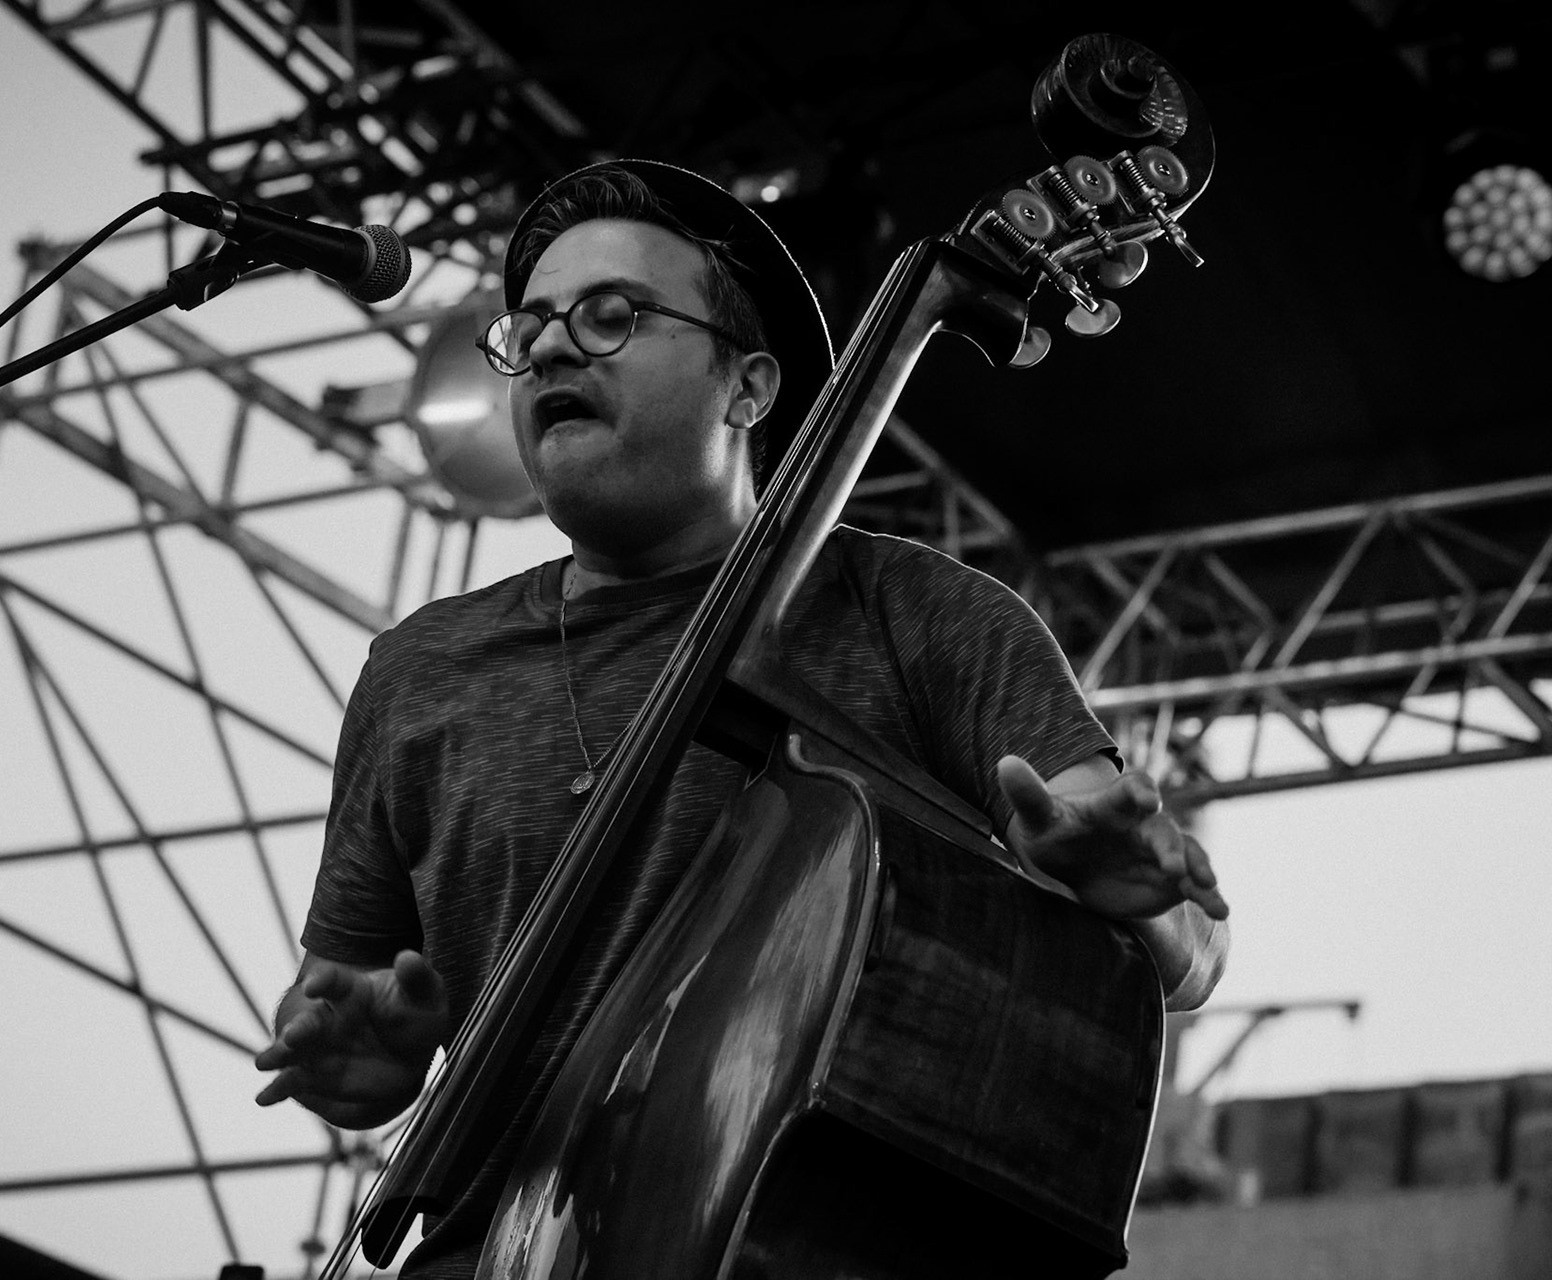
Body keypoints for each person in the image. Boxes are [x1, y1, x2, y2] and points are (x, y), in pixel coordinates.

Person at [255, 159, 1230, 1277]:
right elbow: (347, 1011)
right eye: (529, 329)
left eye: (613, 314)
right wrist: (354, 1058)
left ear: (749, 386)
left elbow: (1193, 952)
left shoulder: (917, 615)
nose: (556, 348)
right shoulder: (421, 669)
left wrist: (1139, 902)